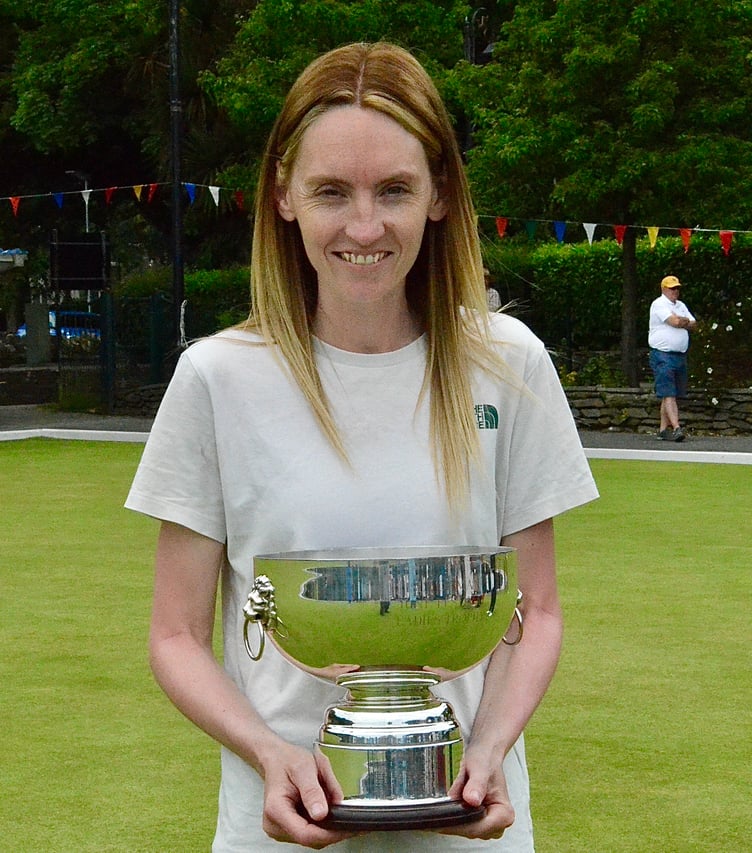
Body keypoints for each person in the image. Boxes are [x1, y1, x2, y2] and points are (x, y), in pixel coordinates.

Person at [125, 42, 598, 852]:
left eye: (395, 190)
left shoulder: (508, 362)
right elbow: (175, 634)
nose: (365, 226)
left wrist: (486, 750)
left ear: (440, 195)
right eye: (332, 192)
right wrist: (271, 754)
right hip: (275, 828)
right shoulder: (216, 377)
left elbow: (539, 610)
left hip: (469, 828)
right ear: (283, 195)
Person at [648, 274, 697, 441]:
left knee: (670, 393)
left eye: (677, 288)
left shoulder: (681, 305)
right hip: (663, 354)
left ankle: (663, 429)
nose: (675, 291)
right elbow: (675, 322)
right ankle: (676, 427)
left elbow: (693, 324)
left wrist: (680, 320)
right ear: (664, 289)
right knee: (668, 393)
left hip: (679, 355)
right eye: (671, 288)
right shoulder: (659, 304)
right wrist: (682, 321)